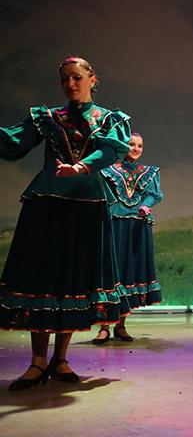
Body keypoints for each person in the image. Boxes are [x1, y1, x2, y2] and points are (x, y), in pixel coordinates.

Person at [0, 57, 132, 391]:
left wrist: (81, 167)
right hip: (47, 202)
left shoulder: (108, 119)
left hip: (85, 204)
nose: (70, 84)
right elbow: (13, 143)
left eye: (76, 77)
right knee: (42, 276)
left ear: (92, 79)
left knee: (75, 278)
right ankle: (37, 361)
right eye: (64, 79)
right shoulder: (48, 117)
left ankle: (60, 359)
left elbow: (110, 151)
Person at [93, 133, 163, 343]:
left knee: (129, 273)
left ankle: (121, 325)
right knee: (111, 273)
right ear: (123, 146)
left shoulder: (149, 172)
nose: (136, 149)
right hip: (115, 223)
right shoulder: (108, 170)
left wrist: (146, 205)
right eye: (132, 144)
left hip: (137, 225)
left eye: (140, 146)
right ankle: (105, 326)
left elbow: (153, 195)